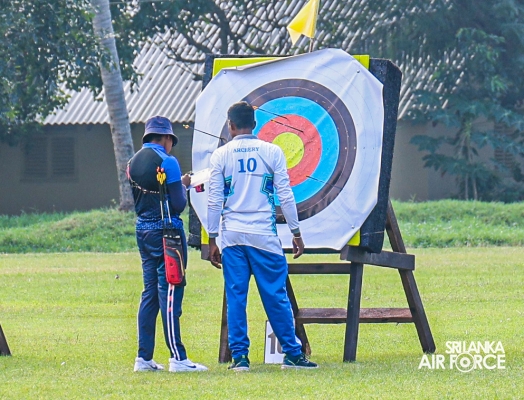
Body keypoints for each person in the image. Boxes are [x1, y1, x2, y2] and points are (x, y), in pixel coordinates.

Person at [207, 102, 319, 371]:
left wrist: (212, 238)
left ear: (230, 126)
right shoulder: (272, 151)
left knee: (236, 296)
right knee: (275, 295)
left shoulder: (220, 155)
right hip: (264, 236)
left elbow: (214, 200)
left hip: (232, 237)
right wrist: (295, 232)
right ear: (255, 124)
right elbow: (285, 195)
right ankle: (292, 354)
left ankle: (240, 358)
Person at [127, 116, 207, 373]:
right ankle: (178, 358)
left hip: (143, 232)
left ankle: (144, 358)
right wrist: (184, 185)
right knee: (171, 291)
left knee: (150, 293)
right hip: (168, 234)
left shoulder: (132, 163)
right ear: (165, 139)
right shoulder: (168, 162)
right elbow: (178, 204)